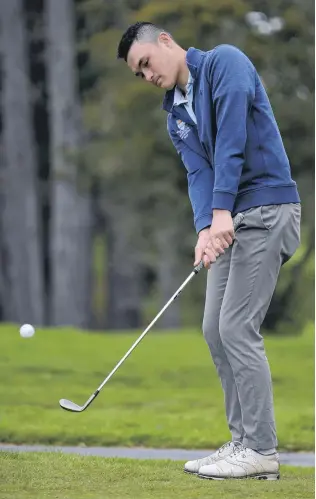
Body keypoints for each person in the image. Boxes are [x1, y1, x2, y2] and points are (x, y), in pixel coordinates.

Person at [117, 22, 301, 481]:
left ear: (165, 42)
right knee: (214, 329)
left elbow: (233, 140)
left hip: (266, 207)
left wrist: (221, 214)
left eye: (145, 64)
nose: (146, 76)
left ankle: (261, 448)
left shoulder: (226, 63)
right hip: (228, 220)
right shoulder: (174, 115)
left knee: (237, 326)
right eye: (137, 75)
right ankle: (242, 443)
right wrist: (205, 228)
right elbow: (198, 173)